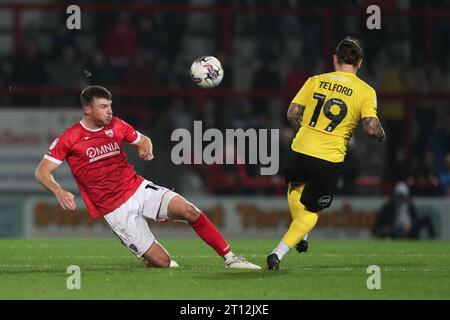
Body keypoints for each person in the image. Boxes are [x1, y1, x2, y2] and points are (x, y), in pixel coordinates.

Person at [34, 85, 260, 270]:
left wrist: (146, 147)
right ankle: (150, 257)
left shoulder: (116, 125)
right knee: (164, 263)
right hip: (115, 210)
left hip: (138, 188)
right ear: (87, 110)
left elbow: (143, 139)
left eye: (110, 106)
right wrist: (59, 190)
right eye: (103, 107)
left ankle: (231, 258)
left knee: (189, 210)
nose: (109, 111)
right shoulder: (70, 137)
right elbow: (42, 171)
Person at [266, 36, 386, 270]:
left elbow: (292, 113)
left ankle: (301, 234)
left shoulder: (315, 81)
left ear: (334, 59)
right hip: (329, 157)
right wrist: (381, 134)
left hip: (301, 147)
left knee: (295, 188)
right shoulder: (366, 91)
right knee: (313, 209)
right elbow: (371, 127)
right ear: (359, 62)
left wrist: (305, 131)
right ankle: (278, 252)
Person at [372, 181, 437, 239]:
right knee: (386, 233)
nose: (400, 199)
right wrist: (389, 227)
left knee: (427, 219)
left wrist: (410, 225)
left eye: (402, 196)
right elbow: (381, 222)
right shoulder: (389, 207)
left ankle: (433, 240)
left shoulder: (410, 205)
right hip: (395, 230)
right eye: (399, 196)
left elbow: (415, 218)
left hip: (410, 229)